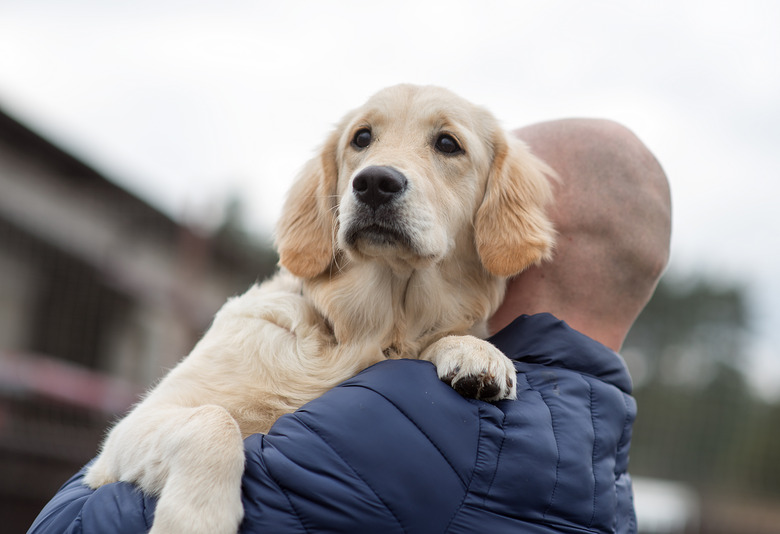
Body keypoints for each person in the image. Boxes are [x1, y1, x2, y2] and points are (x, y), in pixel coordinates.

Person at [28, 118, 671, 534]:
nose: (379, 172)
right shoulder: (605, 480)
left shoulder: (423, 423)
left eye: (447, 146)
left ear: (504, 217)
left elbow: (76, 519)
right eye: (362, 140)